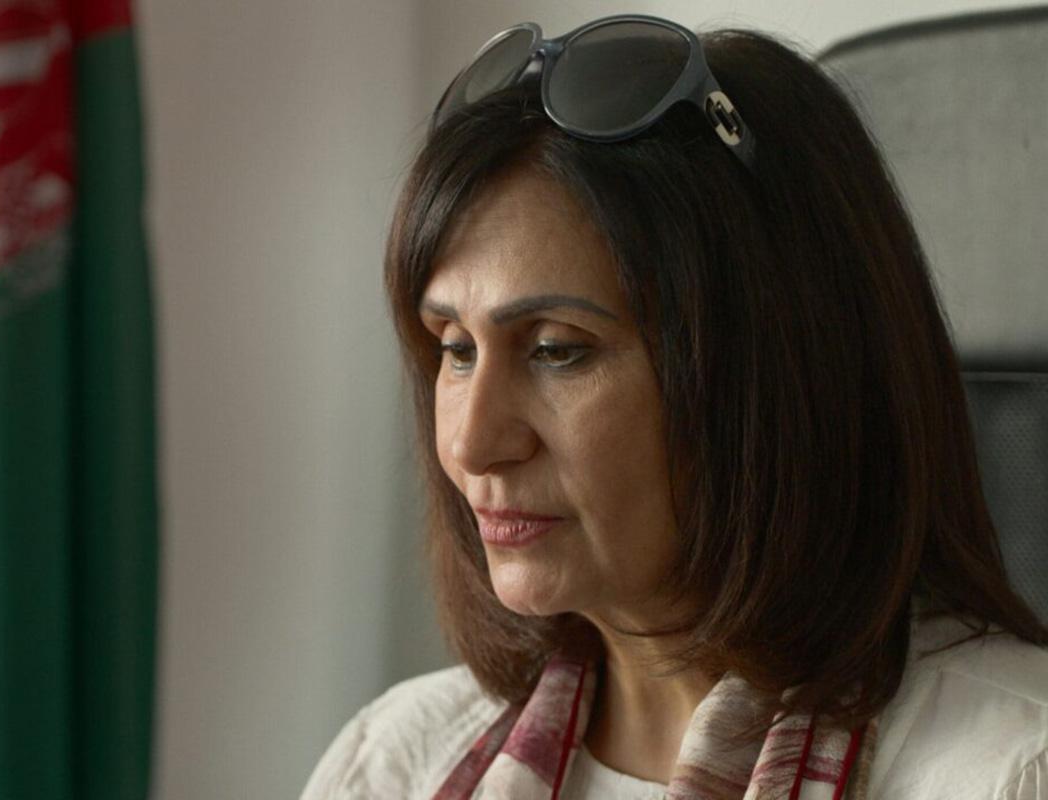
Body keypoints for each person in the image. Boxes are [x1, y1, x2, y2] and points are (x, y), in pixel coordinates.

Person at [301, 15, 1048, 800]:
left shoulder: (1013, 772)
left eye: (556, 350)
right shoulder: (393, 763)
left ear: (768, 371)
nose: (471, 443)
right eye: (456, 349)